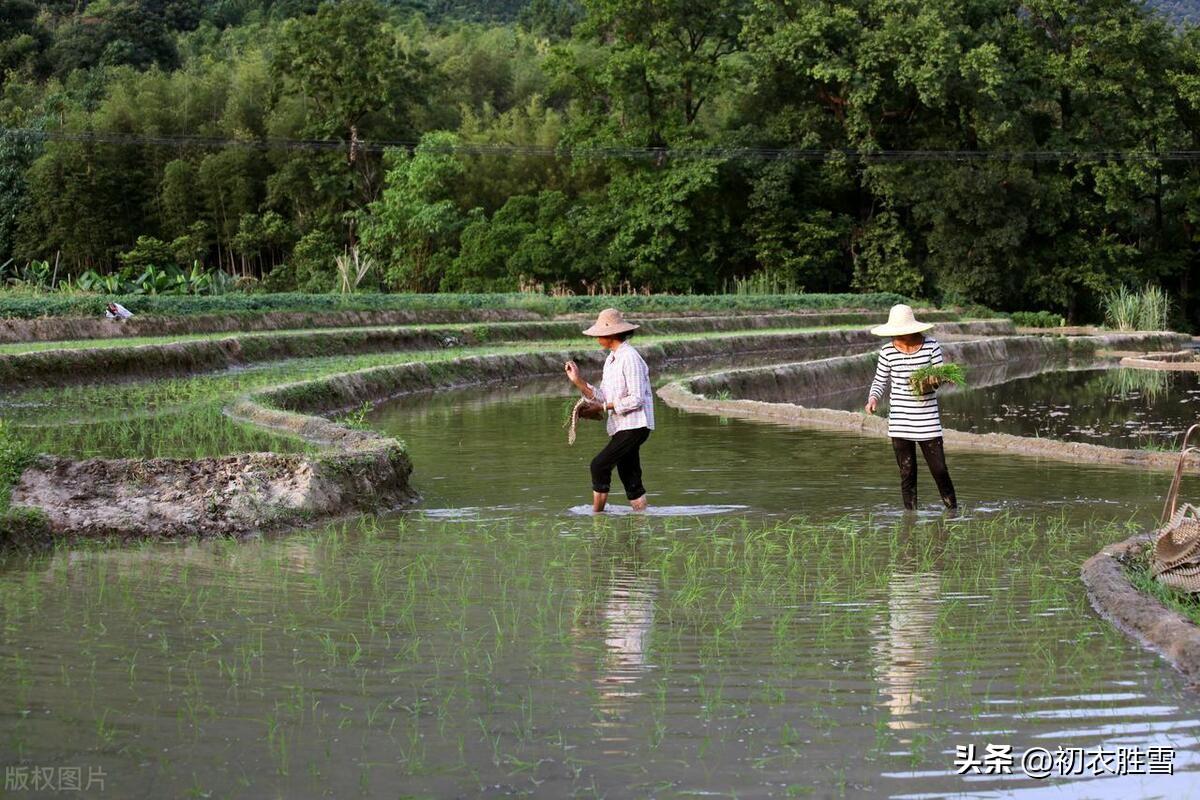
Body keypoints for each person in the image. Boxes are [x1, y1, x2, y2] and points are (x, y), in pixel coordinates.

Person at [864, 304, 958, 511]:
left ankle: (953, 512)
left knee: (940, 470)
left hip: (927, 419)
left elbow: (939, 374)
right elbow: (880, 381)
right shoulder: (887, 351)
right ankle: (910, 517)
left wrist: (933, 381)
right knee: (907, 473)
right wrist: (873, 399)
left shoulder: (931, 345)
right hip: (899, 421)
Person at [564, 308, 655, 513]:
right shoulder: (611, 359)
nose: (597, 338)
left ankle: (597, 516)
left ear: (611, 334)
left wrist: (603, 407)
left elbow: (636, 399)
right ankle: (641, 518)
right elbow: (603, 396)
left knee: (599, 465)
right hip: (622, 425)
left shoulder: (630, 357)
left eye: (599, 334)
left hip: (635, 424)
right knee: (629, 476)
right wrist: (578, 381)